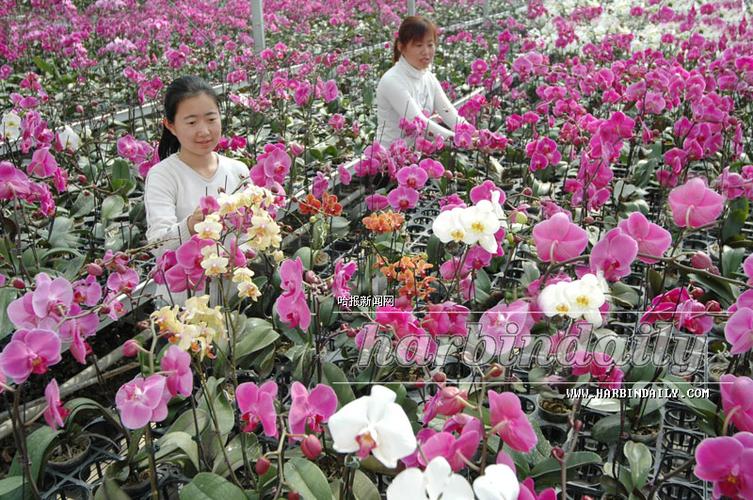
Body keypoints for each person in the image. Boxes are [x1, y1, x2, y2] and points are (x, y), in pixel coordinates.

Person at [145, 75, 248, 305]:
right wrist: (190, 225)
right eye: (191, 122)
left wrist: (242, 256)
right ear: (170, 126)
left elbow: (250, 235)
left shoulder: (238, 171)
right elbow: (157, 246)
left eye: (211, 118)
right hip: (183, 307)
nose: (204, 131)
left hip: (234, 299)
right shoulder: (163, 175)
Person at [376, 16, 467, 148]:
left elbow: (450, 114)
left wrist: (474, 134)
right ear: (401, 47)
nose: (426, 52)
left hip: (417, 154)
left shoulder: (428, 77)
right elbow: (421, 124)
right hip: (388, 159)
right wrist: (462, 142)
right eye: (419, 45)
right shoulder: (392, 81)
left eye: (430, 45)